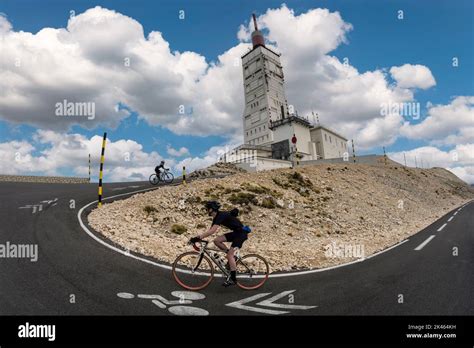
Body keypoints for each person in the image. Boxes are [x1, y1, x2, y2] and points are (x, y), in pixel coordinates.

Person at [190, 201, 247, 287]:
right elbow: (210, 231)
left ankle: (233, 279)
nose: (206, 210)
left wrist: (197, 238)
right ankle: (231, 256)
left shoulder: (220, 215)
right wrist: (199, 238)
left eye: (207, 209)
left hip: (241, 234)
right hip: (236, 233)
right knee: (216, 240)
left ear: (211, 209)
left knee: (229, 256)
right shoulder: (216, 217)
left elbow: (212, 231)